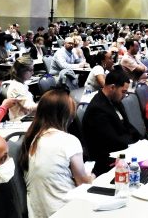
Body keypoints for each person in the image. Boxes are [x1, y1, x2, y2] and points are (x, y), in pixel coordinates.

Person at [20, 89, 93, 218]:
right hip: (67, 210)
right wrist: (92, 176)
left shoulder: (31, 139)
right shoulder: (68, 141)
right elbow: (83, 183)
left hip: (38, 213)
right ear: (64, 116)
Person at [82, 67, 143, 175]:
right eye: (123, 92)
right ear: (112, 87)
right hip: (108, 160)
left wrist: (141, 141)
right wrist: (135, 146)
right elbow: (112, 139)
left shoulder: (115, 100)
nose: (125, 96)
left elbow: (127, 126)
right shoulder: (97, 109)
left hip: (121, 150)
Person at [5, 56, 37, 121]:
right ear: (22, 71)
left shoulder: (22, 84)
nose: (33, 73)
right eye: (30, 70)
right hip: (19, 121)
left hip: (27, 118)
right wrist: (46, 103)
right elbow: (29, 106)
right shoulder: (16, 87)